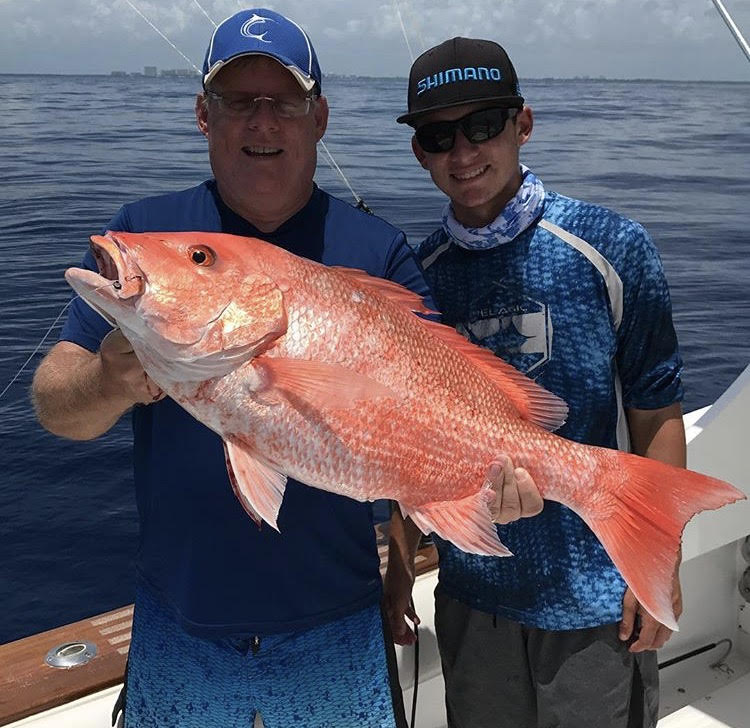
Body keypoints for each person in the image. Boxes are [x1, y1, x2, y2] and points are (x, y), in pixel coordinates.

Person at [31, 12, 540, 728]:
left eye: (285, 101)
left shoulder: (377, 251)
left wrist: (411, 566)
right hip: (181, 623)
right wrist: (109, 381)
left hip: (337, 623)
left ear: (320, 117)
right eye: (239, 101)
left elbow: (428, 413)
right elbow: (55, 407)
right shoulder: (151, 231)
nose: (261, 121)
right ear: (204, 117)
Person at [385, 37, 687, 728]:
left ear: (523, 124)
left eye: (483, 125)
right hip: (472, 596)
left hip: (595, 599)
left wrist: (656, 564)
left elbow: (656, 413)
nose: (463, 153)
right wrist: (400, 565)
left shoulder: (611, 248)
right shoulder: (415, 279)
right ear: (420, 152)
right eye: (439, 136)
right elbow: (403, 440)